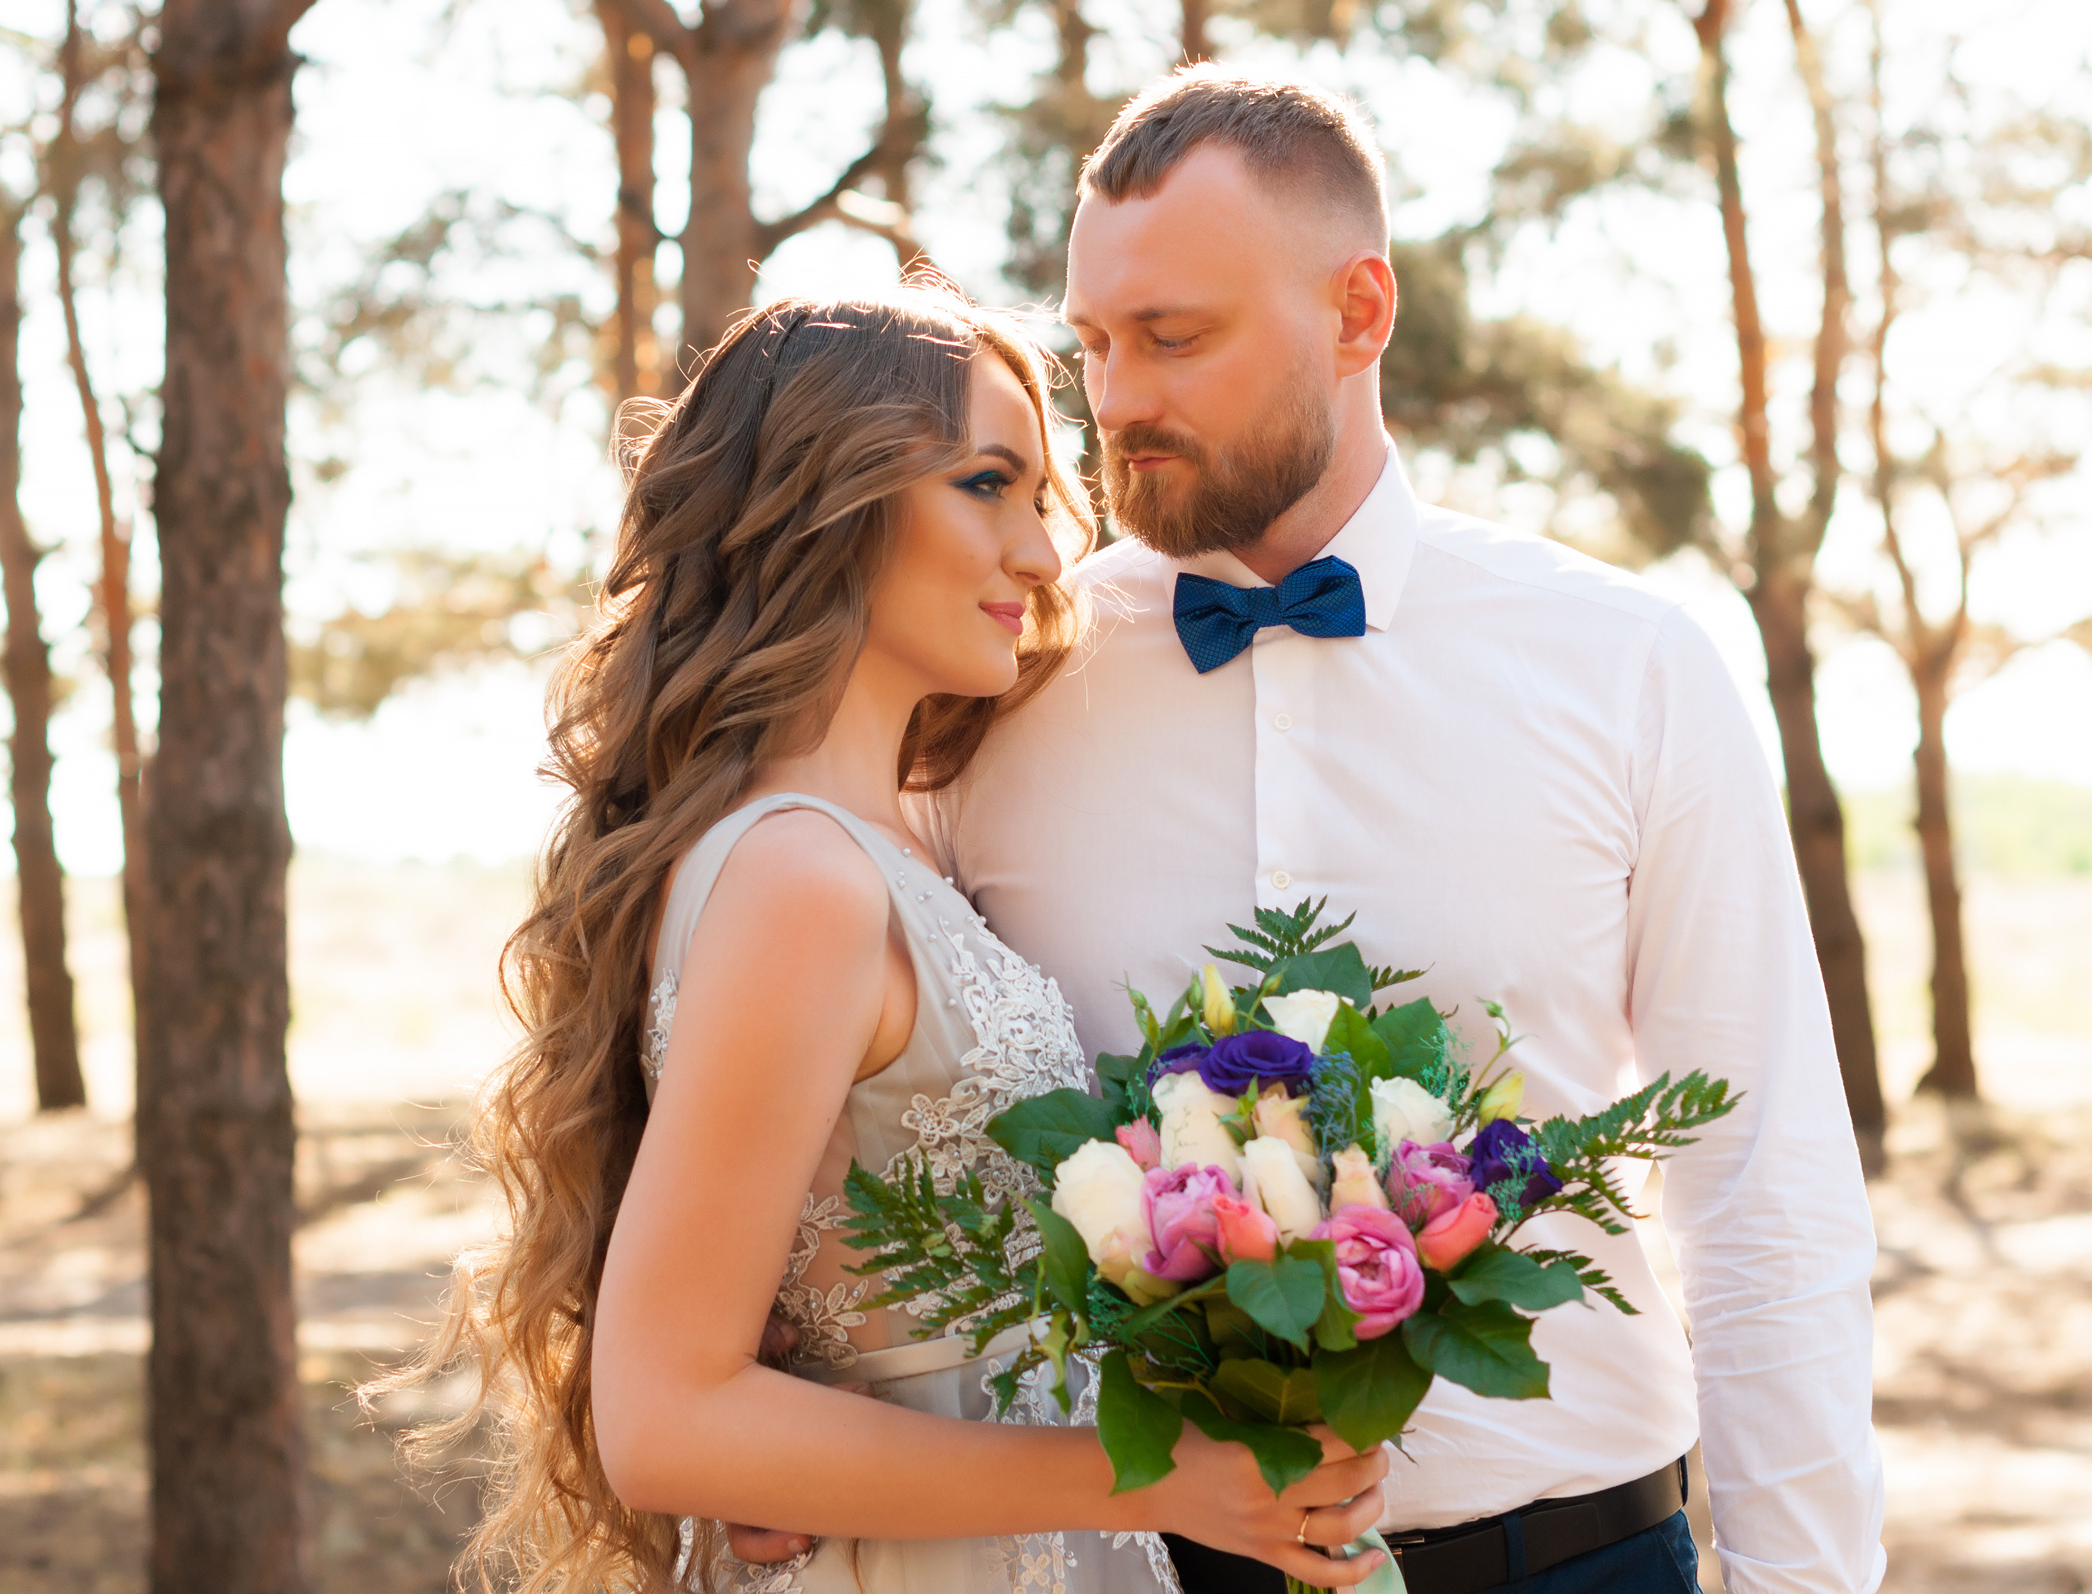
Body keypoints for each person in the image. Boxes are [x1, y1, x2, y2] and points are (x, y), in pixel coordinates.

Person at [914, 67, 1886, 1594]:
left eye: (1175, 337)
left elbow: (1764, 1181)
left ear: (1360, 311)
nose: (1116, 400)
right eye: (1092, 343)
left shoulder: (1628, 666)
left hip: (1581, 1557)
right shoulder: (994, 681)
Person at [394, 288, 1395, 1594]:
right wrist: (1158, 1470)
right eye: (989, 483)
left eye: (1042, 497)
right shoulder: (803, 878)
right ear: (826, 494)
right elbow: (666, 1418)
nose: (1043, 555)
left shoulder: (877, 846)